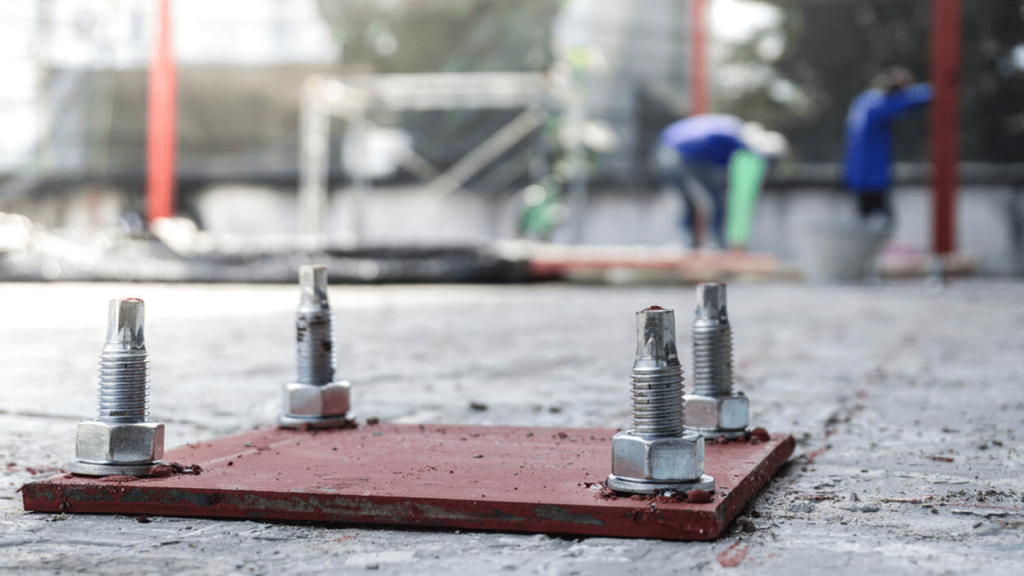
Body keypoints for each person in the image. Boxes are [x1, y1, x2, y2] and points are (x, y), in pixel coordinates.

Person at [654, 114, 783, 249]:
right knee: (716, 200)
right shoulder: (738, 139)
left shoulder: (732, 127)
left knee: (691, 203)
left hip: (664, 152)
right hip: (682, 157)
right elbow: (740, 171)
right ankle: (717, 245)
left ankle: (691, 244)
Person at [843, 67, 933, 228]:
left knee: (868, 225)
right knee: (881, 226)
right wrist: (940, 88)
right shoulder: (878, 105)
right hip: (871, 179)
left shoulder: (863, 100)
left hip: (860, 176)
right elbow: (910, 100)